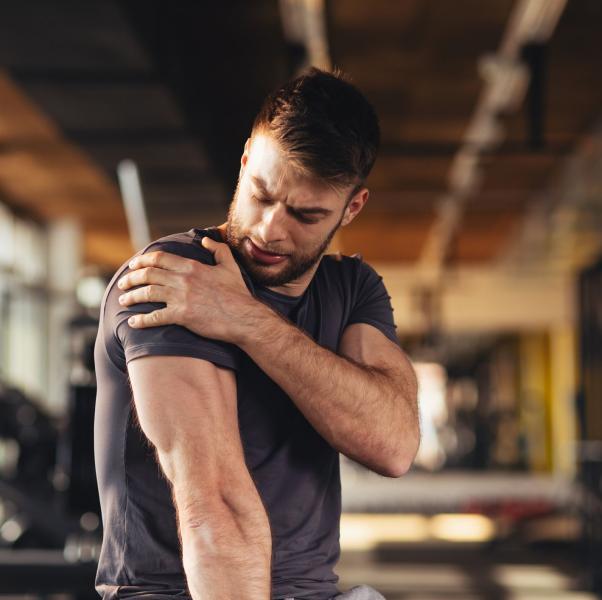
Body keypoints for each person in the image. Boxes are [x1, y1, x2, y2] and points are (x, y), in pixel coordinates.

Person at [94, 67, 420, 600]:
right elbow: (213, 505)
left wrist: (246, 321)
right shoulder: (174, 277)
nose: (271, 228)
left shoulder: (351, 288)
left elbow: (394, 445)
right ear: (245, 160)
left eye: (305, 214)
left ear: (352, 207)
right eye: (262, 194)